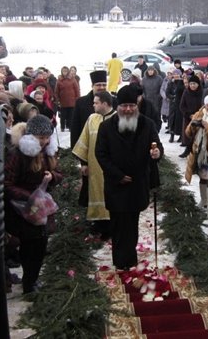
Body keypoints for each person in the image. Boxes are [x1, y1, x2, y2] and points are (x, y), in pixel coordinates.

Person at [95, 85, 163, 270]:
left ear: (137, 105)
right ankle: (120, 260)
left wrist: (156, 153)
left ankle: (130, 258)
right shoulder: (106, 126)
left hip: (137, 184)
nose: (127, 109)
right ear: (118, 106)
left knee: (132, 223)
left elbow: (157, 148)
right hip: (116, 185)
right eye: (124, 105)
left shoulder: (147, 124)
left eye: (131, 105)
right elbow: (101, 154)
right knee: (117, 224)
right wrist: (117, 175)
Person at [4, 115, 63, 294]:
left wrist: (52, 177)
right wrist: (30, 196)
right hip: (22, 208)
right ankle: (29, 284)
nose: (44, 142)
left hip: (41, 206)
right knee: (30, 246)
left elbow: (59, 172)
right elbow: (7, 183)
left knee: (41, 244)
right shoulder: (17, 154)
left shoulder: (48, 152)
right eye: (40, 138)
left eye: (47, 138)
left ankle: (33, 279)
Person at [72, 91, 117, 240]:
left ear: (105, 103)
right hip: (94, 167)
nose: (93, 105)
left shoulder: (118, 119)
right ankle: (98, 225)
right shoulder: (92, 119)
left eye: (96, 102)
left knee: (111, 196)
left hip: (112, 168)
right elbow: (84, 142)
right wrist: (83, 163)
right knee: (96, 193)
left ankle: (112, 227)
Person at [70, 70, 108, 148]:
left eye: (104, 85)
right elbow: (75, 127)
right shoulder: (81, 102)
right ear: (92, 86)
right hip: (87, 146)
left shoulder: (113, 102)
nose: (102, 87)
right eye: (98, 85)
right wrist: (74, 148)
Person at [178, 74, 204, 158]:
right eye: (191, 84)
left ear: (198, 84)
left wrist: (198, 115)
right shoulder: (186, 92)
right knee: (188, 135)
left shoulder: (202, 92)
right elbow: (182, 106)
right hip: (188, 117)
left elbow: (203, 105)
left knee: (198, 136)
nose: (192, 86)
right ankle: (188, 150)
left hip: (199, 118)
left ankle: (196, 152)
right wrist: (189, 115)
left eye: (194, 84)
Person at [55, 66, 81, 132]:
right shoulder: (59, 80)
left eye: (66, 71)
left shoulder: (72, 79)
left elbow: (77, 90)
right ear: (61, 72)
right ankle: (62, 127)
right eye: (63, 71)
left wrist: (77, 99)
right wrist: (57, 100)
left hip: (72, 101)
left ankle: (70, 127)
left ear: (68, 71)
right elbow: (56, 91)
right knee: (63, 116)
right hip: (63, 101)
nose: (65, 72)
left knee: (71, 115)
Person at [166, 69, 185, 143]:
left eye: (178, 74)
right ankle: (172, 135)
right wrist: (172, 97)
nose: (176, 75)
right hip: (173, 104)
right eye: (175, 74)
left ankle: (180, 135)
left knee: (179, 120)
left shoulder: (182, 82)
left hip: (180, 104)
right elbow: (167, 92)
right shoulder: (170, 83)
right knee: (171, 119)